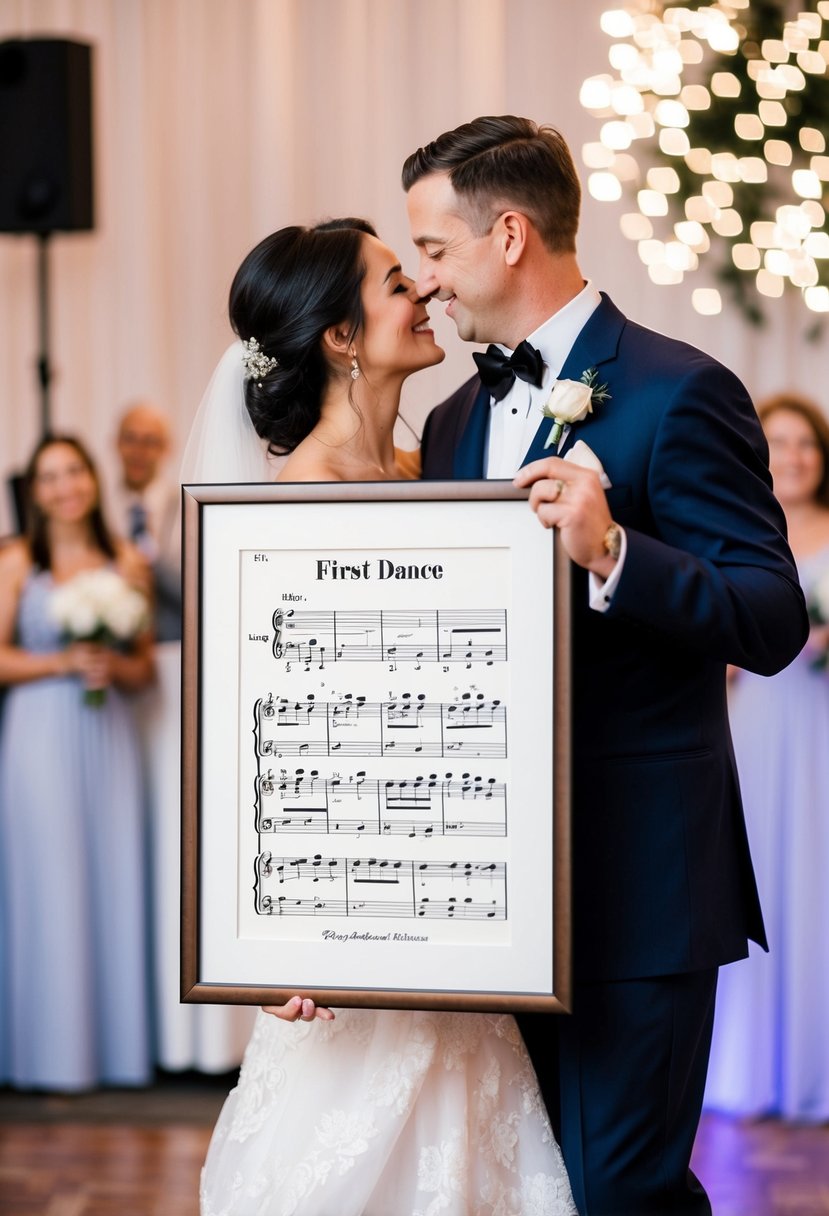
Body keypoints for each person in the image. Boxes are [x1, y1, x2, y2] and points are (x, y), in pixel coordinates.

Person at [401, 116, 809, 1215]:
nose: (423, 281)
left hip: (638, 886)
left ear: (510, 234)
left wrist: (619, 553)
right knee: (525, 1186)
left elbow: (769, 619)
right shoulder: (448, 423)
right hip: (489, 895)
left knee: (621, 1189)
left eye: (434, 250)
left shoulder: (682, 390)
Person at [189, 219, 577, 1215]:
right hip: (344, 956)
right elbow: (254, 741)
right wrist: (269, 939)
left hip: (460, 935)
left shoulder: (439, 473)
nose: (425, 294)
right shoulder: (285, 506)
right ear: (341, 338)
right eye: (397, 282)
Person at [0, 435, 155, 1091]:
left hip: (108, 732)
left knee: (111, 876)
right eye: (50, 477)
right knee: (51, 883)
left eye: (74, 472)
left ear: (92, 480)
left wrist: (110, 665)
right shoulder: (15, 562)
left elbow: (143, 667)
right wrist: (61, 663)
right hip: (38, 735)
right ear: (35, 492)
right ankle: (46, 1058)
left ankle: (115, 1054)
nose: (65, 487)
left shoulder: (125, 560)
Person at [704, 392, 829, 1123]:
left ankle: (812, 1068)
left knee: (814, 881)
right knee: (758, 877)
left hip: (816, 725)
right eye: (777, 443)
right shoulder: (741, 533)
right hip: (753, 724)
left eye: (805, 443)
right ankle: (745, 1069)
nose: (792, 457)